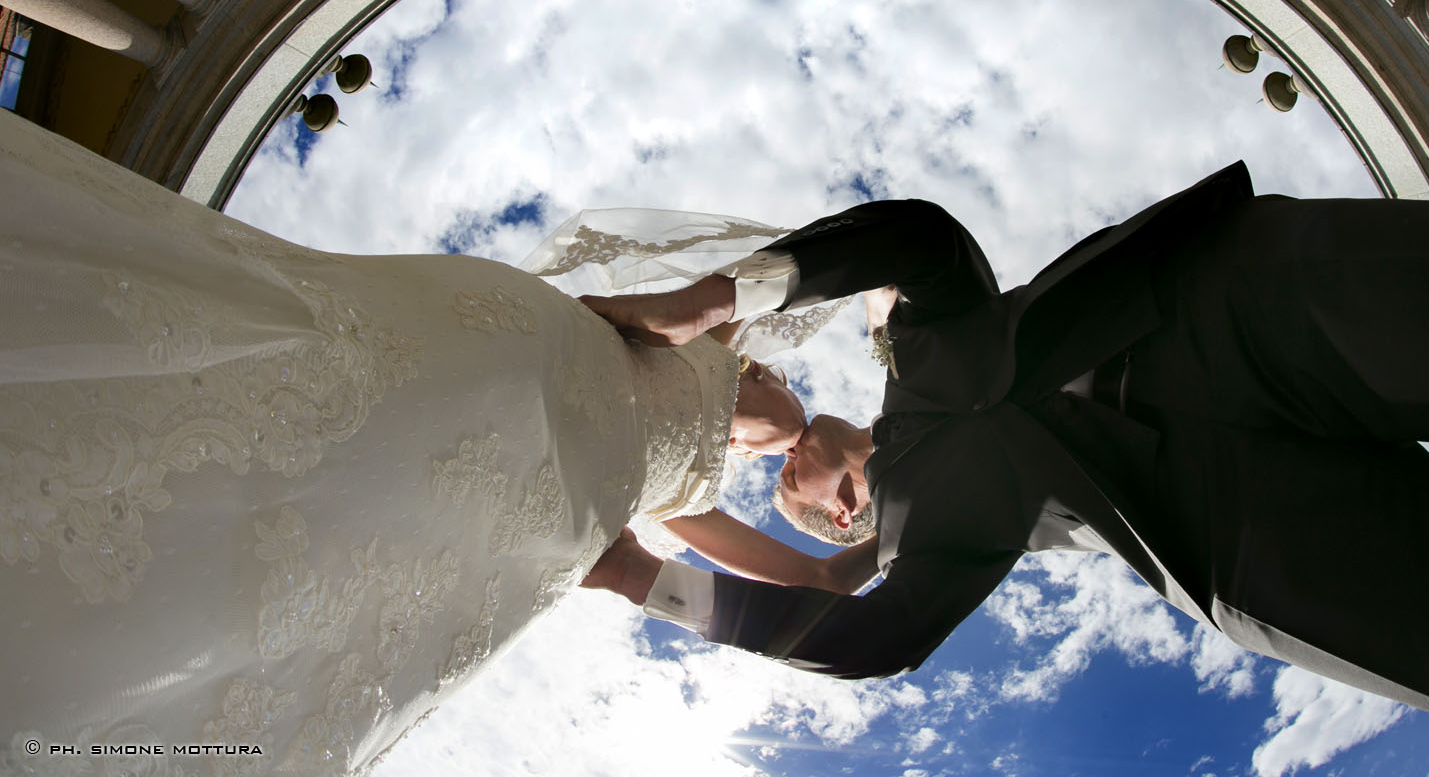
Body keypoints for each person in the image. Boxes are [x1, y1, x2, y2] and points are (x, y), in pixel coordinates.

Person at [581, 171, 1429, 758]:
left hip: (1231, 307)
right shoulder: (930, 547)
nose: (786, 465)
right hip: (1242, 541)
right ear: (844, 516)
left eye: (783, 469)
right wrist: (642, 579)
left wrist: (718, 301)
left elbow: (921, 236)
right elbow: (862, 644)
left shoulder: (918, 343)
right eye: (788, 490)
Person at [0, 111, 872, 771]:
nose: (808, 481)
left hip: (540, 466)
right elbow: (833, 264)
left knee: (316, 508)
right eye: (838, 492)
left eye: (824, 498)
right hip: (519, 364)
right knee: (323, 383)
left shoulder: (738, 460)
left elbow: (818, 577)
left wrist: (882, 543)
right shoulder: (736, 355)